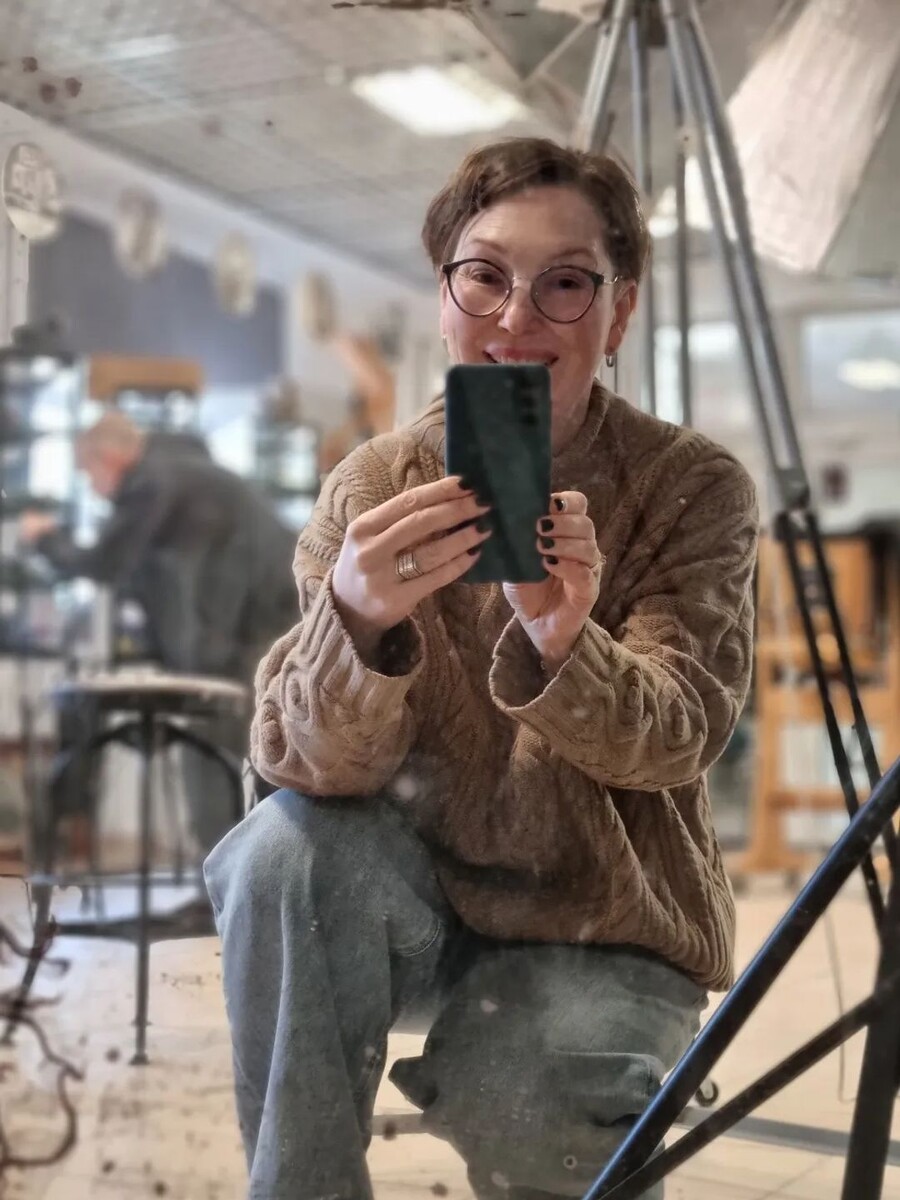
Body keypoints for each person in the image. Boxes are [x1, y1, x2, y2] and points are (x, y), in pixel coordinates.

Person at [203, 137, 759, 1200]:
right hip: (415, 903)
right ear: (444, 296)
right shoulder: (375, 484)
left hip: (606, 917)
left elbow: (681, 737)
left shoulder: (690, 487)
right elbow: (293, 765)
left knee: (538, 1105)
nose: (516, 319)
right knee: (277, 853)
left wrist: (563, 641)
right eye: (485, 276)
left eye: (566, 284)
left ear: (619, 313)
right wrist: (358, 624)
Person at [20, 411, 298, 851]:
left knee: (211, 743)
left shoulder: (151, 481)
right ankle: (241, 870)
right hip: (272, 614)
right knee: (254, 745)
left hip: (251, 626)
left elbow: (106, 562)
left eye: (89, 474)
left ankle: (222, 872)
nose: (93, 487)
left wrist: (45, 540)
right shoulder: (183, 468)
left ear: (108, 459)